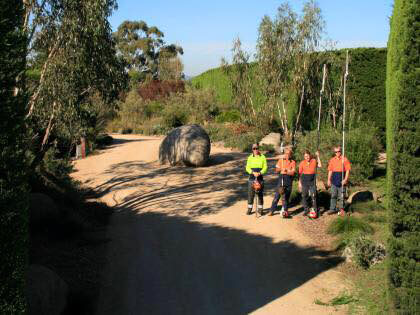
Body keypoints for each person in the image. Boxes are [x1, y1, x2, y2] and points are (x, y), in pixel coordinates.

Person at [269, 148, 296, 216]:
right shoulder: (281, 161)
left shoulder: (293, 162)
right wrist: (281, 169)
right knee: (277, 196)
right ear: (284, 154)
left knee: (286, 197)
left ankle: (285, 212)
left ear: (290, 155)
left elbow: (293, 173)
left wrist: (287, 171)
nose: (287, 155)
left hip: (289, 181)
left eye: (289, 154)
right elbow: (276, 170)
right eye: (286, 153)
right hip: (281, 179)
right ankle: (272, 210)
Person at [327, 145, 351, 216]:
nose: (337, 153)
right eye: (336, 152)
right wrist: (328, 180)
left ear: (341, 151)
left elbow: (347, 170)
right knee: (333, 195)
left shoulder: (345, 159)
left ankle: (341, 210)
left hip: (342, 181)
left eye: (339, 151)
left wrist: (345, 179)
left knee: (342, 196)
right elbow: (330, 171)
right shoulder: (332, 160)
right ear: (334, 152)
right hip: (334, 180)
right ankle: (332, 209)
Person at [245, 143, 267, 215]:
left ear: (258, 148)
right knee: (250, 194)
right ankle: (249, 208)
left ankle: (260, 209)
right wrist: (252, 172)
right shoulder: (250, 157)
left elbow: (265, 167)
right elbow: (247, 167)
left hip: (260, 178)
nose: (255, 150)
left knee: (260, 194)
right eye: (254, 148)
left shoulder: (263, 157)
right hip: (252, 178)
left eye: (256, 148)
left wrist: (260, 173)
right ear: (252, 149)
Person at [298, 150, 322, 217]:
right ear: (304, 157)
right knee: (304, 195)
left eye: (308, 156)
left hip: (312, 181)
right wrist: (299, 182)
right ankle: (306, 210)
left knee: (313, 195)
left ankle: (315, 210)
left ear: (310, 155)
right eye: (305, 156)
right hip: (304, 180)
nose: (307, 157)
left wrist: (318, 156)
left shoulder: (314, 161)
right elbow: (300, 174)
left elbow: (320, 165)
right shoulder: (302, 163)